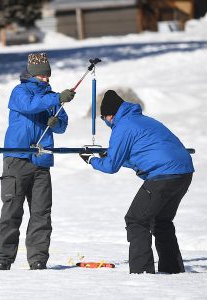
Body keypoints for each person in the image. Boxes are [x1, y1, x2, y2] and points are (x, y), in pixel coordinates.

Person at [79, 90, 194, 274]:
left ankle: (142, 273)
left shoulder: (122, 126)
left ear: (110, 115)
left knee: (136, 220)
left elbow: (110, 167)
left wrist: (91, 160)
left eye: (104, 119)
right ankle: (173, 270)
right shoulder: (145, 121)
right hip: (183, 172)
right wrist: (111, 156)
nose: (106, 123)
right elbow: (140, 156)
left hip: (162, 175)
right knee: (162, 221)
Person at [0, 53, 75, 270]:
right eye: (42, 75)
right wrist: (57, 98)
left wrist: (55, 121)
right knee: (12, 211)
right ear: (31, 74)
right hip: (17, 158)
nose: (46, 78)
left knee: (41, 213)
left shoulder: (51, 96)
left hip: (41, 160)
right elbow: (30, 106)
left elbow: (62, 126)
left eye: (47, 75)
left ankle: (38, 259)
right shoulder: (20, 92)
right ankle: (3, 259)